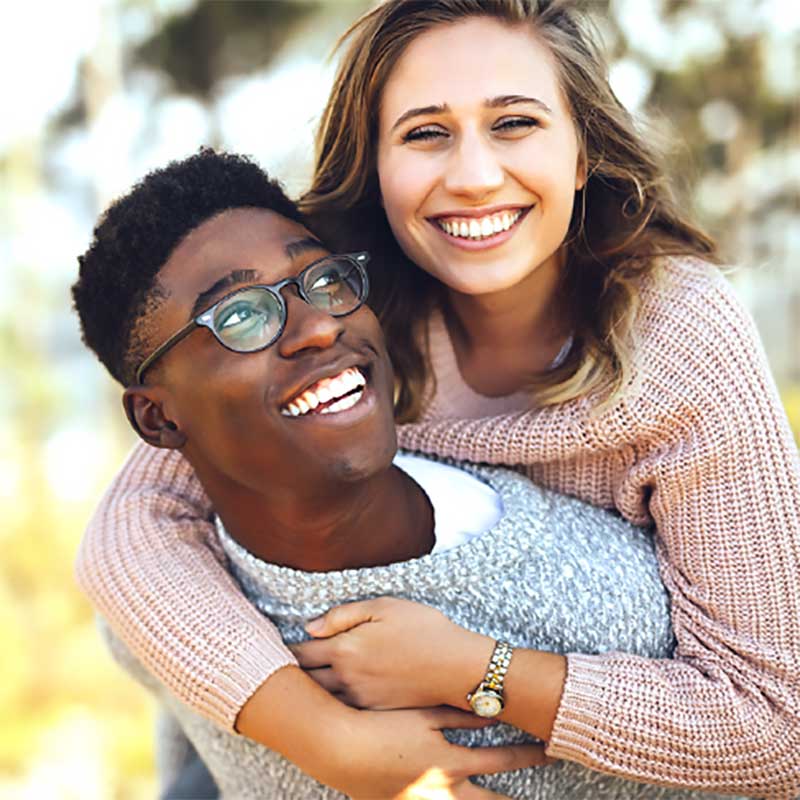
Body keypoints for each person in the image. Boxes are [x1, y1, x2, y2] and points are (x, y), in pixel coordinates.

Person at [75, 1, 800, 797]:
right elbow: (133, 530)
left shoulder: (676, 332)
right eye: (426, 133)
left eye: (515, 123)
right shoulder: (337, 299)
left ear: (584, 151)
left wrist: (473, 670)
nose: (475, 176)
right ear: (377, 166)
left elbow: (778, 724)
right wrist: (322, 737)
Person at [73, 149, 692, 799]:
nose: (318, 325)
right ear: (158, 421)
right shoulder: (154, 619)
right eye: (241, 317)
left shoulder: (604, 606)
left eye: (324, 281)